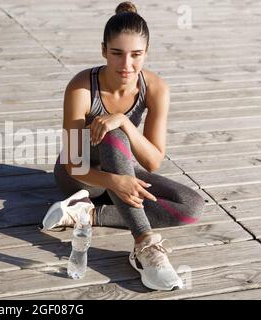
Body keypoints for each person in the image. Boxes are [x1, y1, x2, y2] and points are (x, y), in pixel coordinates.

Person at [42, 1, 205, 291]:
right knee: (111, 134)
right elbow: (74, 164)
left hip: (121, 169)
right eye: (116, 54)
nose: (126, 65)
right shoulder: (82, 86)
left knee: (190, 207)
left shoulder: (155, 88)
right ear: (104, 50)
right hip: (81, 178)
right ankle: (144, 244)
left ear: (147, 52)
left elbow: (153, 161)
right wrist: (116, 180)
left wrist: (125, 122)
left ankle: (85, 214)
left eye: (136, 55)